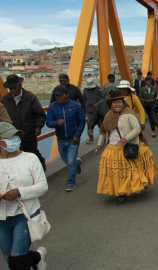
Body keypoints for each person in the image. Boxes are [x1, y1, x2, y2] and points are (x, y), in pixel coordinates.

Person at [95, 90, 158, 206]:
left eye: (119, 102)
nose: (117, 105)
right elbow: (103, 132)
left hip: (128, 146)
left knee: (130, 170)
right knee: (116, 172)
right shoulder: (108, 116)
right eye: (115, 103)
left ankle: (133, 186)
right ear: (111, 104)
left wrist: (126, 138)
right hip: (113, 148)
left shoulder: (129, 114)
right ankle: (120, 193)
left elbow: (137, 128)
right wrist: (99, 145)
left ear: (123, 103)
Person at [0, 122, 48, 270]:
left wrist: (19, 192)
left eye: (16, 135)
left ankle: (33, 258)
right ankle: (37, 257)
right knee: (11, 260)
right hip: (2, 219)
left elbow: (43, 186)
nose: (14, 139)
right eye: (9, 137)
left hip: (25, 215)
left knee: (17, 260)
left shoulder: (30, 158)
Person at [1, 75, 47, 171]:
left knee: (32, 155)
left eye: (15, 87)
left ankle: (40, 170)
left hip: (29, 134)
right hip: (12, 135)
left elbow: (40, 114)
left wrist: (38, 127)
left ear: (20, 85)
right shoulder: (5, 99)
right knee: (16, 158)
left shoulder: (30, 97)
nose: (13, 90)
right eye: (10, 88)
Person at [46, 86, 85, 192]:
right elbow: (48, 122)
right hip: (61, 139)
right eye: (56, 95)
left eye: (61, 95)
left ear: (66, 95)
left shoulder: (75, 105)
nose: (58, 97)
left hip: (73, 139)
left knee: (70, 161)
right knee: (67, 161)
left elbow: (82, 121)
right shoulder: (52, 107)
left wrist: (77, 135)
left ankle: (70, 183)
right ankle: (77, 163)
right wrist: (56, 123)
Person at [83, 78, 105, 144]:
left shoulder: (99, 89)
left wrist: (98, 103)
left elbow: (103, 97)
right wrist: (84, 111)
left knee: (101, 124)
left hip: (98, 110)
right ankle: (91, 138)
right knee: (89, 124)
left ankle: (102, 137)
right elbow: (83, 101)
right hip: (89, 110)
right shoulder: (85, 90)